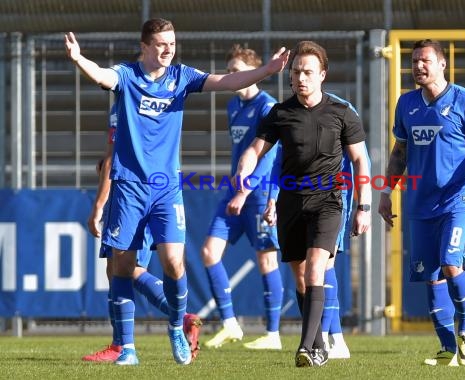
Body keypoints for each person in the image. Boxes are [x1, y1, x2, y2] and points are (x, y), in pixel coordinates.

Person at [64, 18, 289, 366]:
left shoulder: (181, 77)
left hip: (166, 188)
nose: (169, 49)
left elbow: (228, 80)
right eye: (161, 44)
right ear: (145, 47)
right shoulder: (127, 75)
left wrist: (268, 69)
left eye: (172, 43)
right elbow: (102, 76)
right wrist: (79, 59)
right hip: (128, 187)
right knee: (121, 265)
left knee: (173, 261)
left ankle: (175, 327)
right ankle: (127, 349)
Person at [230, 40, 371, 367]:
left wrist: (363, 207)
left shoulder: (342, 112)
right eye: (296, 72)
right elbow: (256, 149)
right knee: (301, 278)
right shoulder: (279, 113)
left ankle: (307, 347)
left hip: (329, 201)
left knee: (315, 269)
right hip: (291, 203)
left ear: (322, 74)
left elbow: (361, 160)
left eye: (308, 71)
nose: (301, 77)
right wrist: (244, 167)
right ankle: (319, 341)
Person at [378, 39, 465, 366]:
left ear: (442, 64)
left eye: (425, 60)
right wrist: (386, 192)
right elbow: (399, 153)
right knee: (430, 276)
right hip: (419, 205)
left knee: (450, 263)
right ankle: (447, 349)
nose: (418, 66)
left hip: (458, 201)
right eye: (414, 60)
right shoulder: (406, 105)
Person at [83, 103, 202, 363]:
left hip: (134, 195)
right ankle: (128, 341)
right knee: (121, 267)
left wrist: (99, 205)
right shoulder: (134, 98)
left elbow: (112, 158)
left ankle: (129, 342)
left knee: (125, 267)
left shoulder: (124, 103)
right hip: (152, 191)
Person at [201, 45, 283, 350]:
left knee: (266, 259)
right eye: (229, 71)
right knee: (209, 251)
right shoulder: (233, 106)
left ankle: (273, 334)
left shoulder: (268, 107)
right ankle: (230, 324)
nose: (231, 76)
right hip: (233, 191)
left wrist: (246, 189)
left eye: (236, 71)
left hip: (257, 193)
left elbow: (269, 156)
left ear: (251, 72)